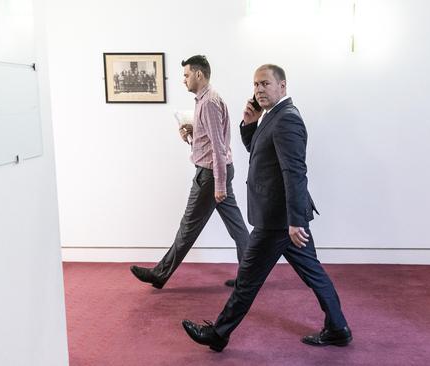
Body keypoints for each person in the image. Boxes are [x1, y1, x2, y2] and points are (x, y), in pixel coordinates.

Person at [181, 64, 352, 351]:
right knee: (314, 273)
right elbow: (258, 152)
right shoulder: (273, 116)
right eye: (255, 85)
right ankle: (338, 328)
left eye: (265, 84)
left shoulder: (287, 120)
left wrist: (295, 220)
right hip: (282, 217)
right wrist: (249, 123)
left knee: (247, 278)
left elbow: (295, 172)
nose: (259, 90)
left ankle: (219, 334)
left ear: (282, 86)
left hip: (279, 220)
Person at [130, 55, 249, 289]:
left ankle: (160, 274)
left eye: (186, 75)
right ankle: (250, 277)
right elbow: (211, 138)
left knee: (188, 227)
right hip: (216, 171)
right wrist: (192, 132)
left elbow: (218, 146)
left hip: (211, 174)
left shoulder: (209, 102)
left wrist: (219, 185)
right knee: (237, 227)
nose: (183, 80)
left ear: (198, 74)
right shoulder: (204, 101)